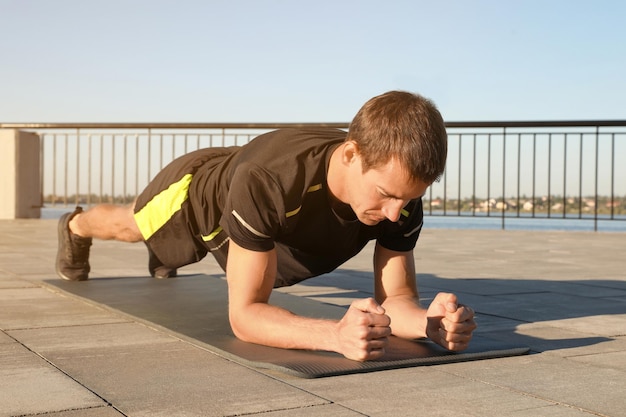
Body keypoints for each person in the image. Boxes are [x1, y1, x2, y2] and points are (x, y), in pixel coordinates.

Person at [56, 91, 476, 361]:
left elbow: (397, 297)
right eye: (385, 194)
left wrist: (428, 323)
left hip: (258, 200)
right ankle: (75, 225)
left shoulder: (401, 202)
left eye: (408, 198)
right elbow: (245, 316)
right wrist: (336, 335)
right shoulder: (270, 181)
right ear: (350, 155)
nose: (394, 213)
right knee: (133, 226)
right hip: (198, 194)